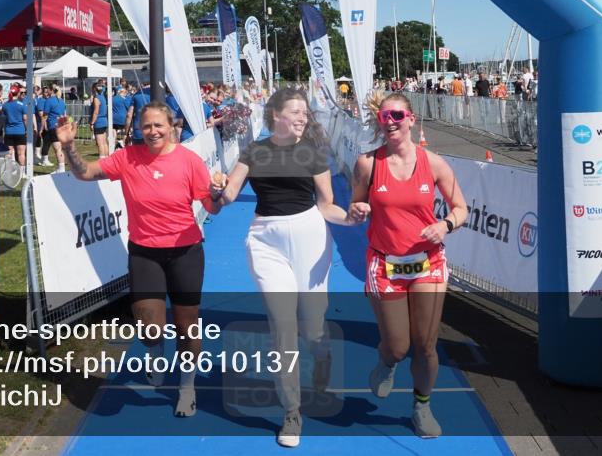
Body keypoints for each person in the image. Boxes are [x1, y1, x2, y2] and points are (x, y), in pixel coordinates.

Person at [210, 88, 359, 447]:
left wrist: (351, 219)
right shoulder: (253, 151)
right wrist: (217, 187)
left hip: (310, 238)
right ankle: (292, 411)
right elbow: (228, 195)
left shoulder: (313, 153)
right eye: (296, 111)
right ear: (275, 114)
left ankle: (321, 355)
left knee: (313, 329)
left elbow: (327, 206)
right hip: (266, 242)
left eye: (305, 113)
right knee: (283, 327)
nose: (303, 117)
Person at [55, 102, 217, 417]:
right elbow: (85, 173)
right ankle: (156, 354)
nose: (153, 132)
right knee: (149, 327)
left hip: (185, 252)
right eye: (147, 127)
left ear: (171, 126)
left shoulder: (190, 161)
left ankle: (186, 388)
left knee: (187, 327)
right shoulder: (128, 158)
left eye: (158, 125)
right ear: (139, 129)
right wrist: (69, 145)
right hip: (145, 253)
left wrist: (219, 193)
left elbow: (211, 207)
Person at [347, 92, 469, 438]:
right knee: (399, 346)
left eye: (397, 116)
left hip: (427, 262)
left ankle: (422, 406)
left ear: (411, 119)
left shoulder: (435, 164)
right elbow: (355, 204)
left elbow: (461, 208)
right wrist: (357, 210)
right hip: (385, 263)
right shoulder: (367, 164)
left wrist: (445, 225)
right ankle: (386, 362)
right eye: (384, 117)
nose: (390, 122)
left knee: (426, 344)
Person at [41, 85, 67, 172]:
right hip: (61, 126)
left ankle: (61, 168)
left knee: (57, 149)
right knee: (59, 148)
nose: (47, 91)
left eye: (48, 89)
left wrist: (42, 128)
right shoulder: (62, 101)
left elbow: (45, 115)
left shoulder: (49, 101)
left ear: (52, 90)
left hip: (53, 126)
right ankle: (61, 167)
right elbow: (64, 114)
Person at [2, 83, 29, 166]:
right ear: (18, 93)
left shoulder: (5, 105)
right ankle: (22, 172)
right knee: (21, 153)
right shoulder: (22, 105)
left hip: (9, 132)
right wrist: (27, 129)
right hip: (20, 131)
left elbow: (4, 117)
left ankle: (10, 171)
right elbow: (25, 118)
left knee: (9, 153)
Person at [89, 81, 109, 157]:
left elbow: (96, 112)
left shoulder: (97, 98)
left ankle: (102, 160)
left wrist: (92, 123)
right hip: (104, 121)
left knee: (100, 143)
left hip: (99, 122)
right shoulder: (102, 97)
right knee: (104, 142)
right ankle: (106, 159)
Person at [111, 85, 131, 149]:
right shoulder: (124, 99)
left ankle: (112, 145)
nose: (126, 94)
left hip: (114, 119)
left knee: (114, 133)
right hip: (123, 119)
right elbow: (129, 108)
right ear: (122, 92)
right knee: (127, 132)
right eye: (125, 92)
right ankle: (122, 143)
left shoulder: (112, 98)